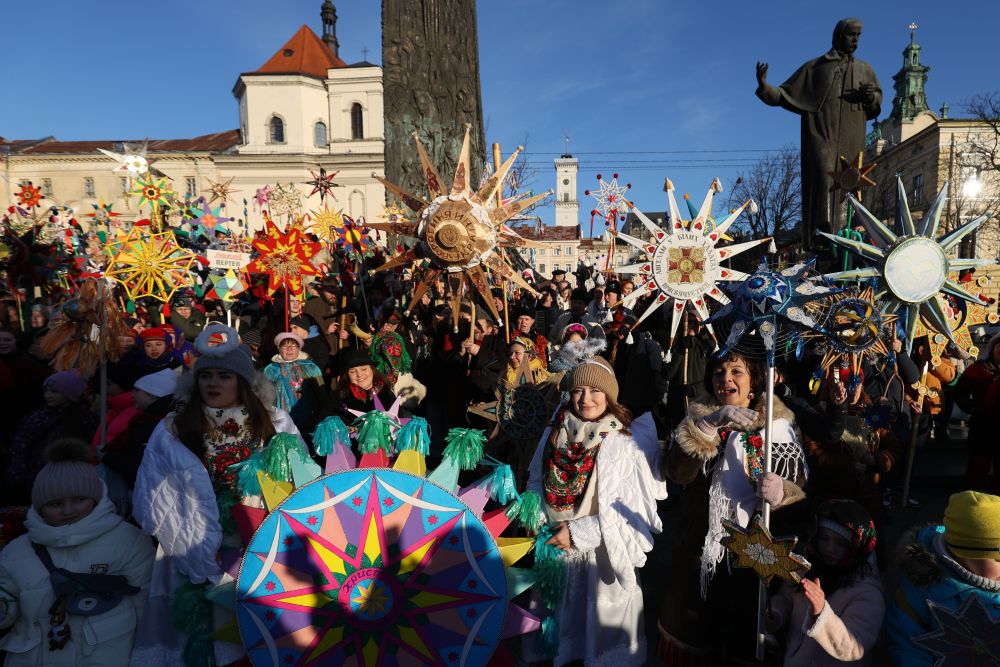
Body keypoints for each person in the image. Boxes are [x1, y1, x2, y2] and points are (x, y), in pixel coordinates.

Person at [131, 324, 302, 666]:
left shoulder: (276, 423)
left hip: (252, 545)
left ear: (243, 381)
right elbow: (150, 494)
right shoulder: (172, 428)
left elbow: (297, 482)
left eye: (224, 376)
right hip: (186, 543)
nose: (213, 383)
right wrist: (182, 538)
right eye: (206, 375)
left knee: (245, 636)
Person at [658, 352, 810, 664]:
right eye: (718, 372)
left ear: (753, 381)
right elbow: (677, 472)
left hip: (751, 553)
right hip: (699, 547)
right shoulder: (698, 417)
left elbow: (799, 484)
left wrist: (782, 491)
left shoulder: (777, 424)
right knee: (696, 628)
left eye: (735, 371)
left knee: (740, 632)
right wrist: (706, 427)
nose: (725, 378)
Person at [526, 356, 667, 665]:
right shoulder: (557, 427)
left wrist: (577, 533)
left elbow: (629, 509)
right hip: (555, 550)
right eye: (578, 390)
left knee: (595, 640)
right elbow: (537, 474)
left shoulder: (625, 441)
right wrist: (534, 513)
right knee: (560, 635)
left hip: (598, 555)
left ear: (609, 395)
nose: (586, 399)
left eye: (594, 390)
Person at [0, 439, 155, 666]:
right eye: (55, 503)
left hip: (106, 657)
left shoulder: (129, 541)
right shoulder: (15, 551)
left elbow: (147, 604)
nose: (68, 510)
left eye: (79, 500)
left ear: (95, 497)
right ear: (38, 505)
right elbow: (6, 599)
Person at [755, 18, 881, 241]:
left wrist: (870, 97)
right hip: (821, 133)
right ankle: (822, 237)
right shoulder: (816, 67)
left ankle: (848, 238)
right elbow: (785, 95)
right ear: (838, 36)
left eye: (858, 36)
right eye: (851, 34)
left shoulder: (865, 69)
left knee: (852, 184)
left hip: (852, 138)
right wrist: (764, 86)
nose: (855, 40)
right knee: (823, 179)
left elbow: (875, 106)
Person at [886, 490, 1000, 665]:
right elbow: (907, 647)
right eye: (998, 559)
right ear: (963, 554)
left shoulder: (988, 571)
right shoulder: (920, 591)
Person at [768, 499, 884, 666]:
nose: (830, 548)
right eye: (824, 538)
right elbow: (785, 599)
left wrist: (822, 613)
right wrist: (777, 614)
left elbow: (854, 647)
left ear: (856, 547)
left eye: (841, 543)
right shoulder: (805, 568)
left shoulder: (868, 592)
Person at [4, 371, 98, 506]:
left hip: (67, 481)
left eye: (55, 391)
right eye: (46, 390)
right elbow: (19, 448)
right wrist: (15, 477)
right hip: (32, 478)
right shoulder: (35, 418)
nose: (47, 395)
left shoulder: (85, 420)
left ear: (71, 393)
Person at [953, 333, 1000, 492]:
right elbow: (960, 393)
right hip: (983, 426)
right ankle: (971, 502)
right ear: (993, 348)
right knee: (978, 467)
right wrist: (971, 408)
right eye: (999, 346)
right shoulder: (978, 369)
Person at [263, 331, 324, 435]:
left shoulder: (312, 367)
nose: (290, 349)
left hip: (310, 421)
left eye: (294, 346)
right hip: (282, 423)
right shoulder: (270, 370)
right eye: (285, 346)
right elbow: (265, 397)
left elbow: (322, 391)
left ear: (299, 348)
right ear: (279, 349)